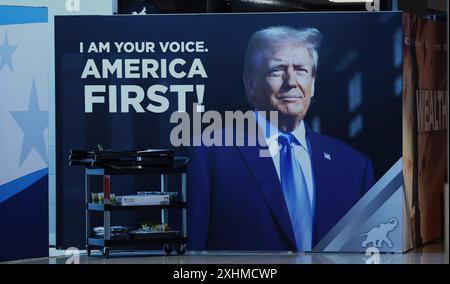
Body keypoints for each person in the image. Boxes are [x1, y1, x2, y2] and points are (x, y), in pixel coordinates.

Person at [187, 26, 374, 251]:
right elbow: (193, 254)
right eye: (277, 70)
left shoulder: (354, 167)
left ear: (313, 84)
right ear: (250, 85)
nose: (291, 82)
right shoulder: (210, 155)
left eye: (301, 70)